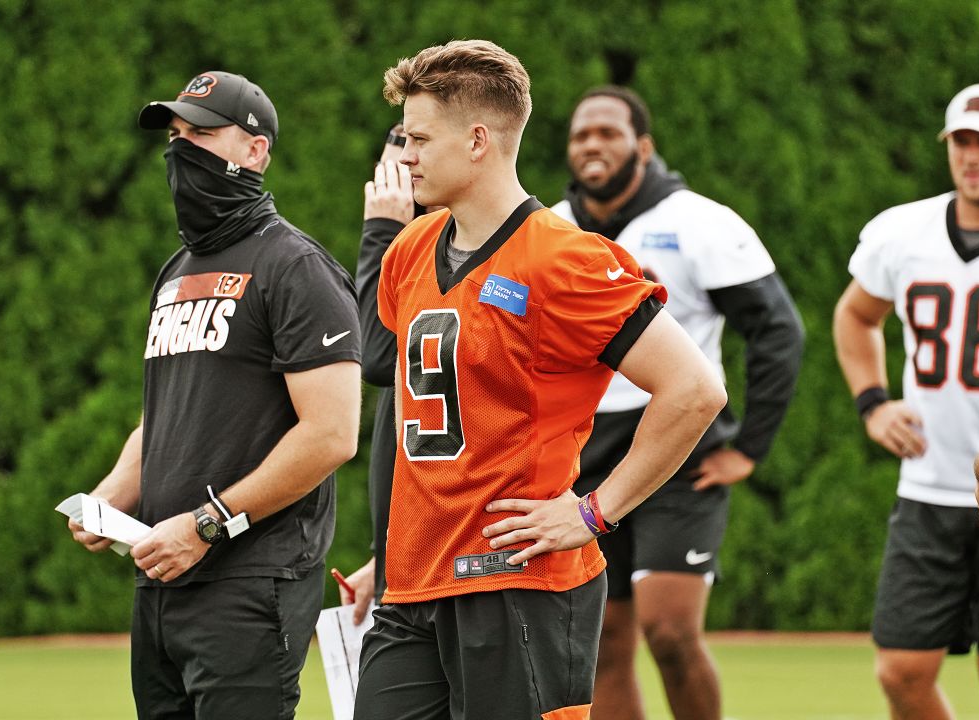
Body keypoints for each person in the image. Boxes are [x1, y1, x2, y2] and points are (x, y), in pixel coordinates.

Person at [353, 40, 727, 719]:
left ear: (476, 141)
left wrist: (594, 510)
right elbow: (400, 407)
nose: (403, 157)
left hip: (514, 584)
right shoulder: (409, 248)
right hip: (411, 590)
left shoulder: (566, 260)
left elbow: (695, 389)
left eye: (417, 139)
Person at [65, 70, 362, 720]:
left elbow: (333, 433)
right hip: (163, 578)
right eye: (175, 135)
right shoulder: (176, 272)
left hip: (250, 580)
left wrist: (206, 524)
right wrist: (115, 490)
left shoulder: (295, 267)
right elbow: (167, 415)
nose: (181, 151)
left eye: (200, 134)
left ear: (255, 151)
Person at [549, 87, 804, 720]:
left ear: (643, 145)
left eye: (607, 132)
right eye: (581, 135)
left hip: (676, 446)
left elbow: (778, 330)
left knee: (669, 631)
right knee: (601, 639)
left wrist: (749, 449)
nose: (592, 145)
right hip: (583, 454)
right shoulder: (548, 228)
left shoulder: (698, 222)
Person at [834, 81, 979, 720]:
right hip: (929, 485)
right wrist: (873, 402)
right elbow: (855, 317)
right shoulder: (902, 231)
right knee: (901, 671)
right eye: (963, 141)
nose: (973, 155)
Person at [337, 126, 416, 622]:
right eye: (383, 176)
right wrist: (380, 560)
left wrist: (383, 232)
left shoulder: (450, 257)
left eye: (401, 173)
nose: (389, 190)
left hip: (454, 571)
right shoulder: (417, 264)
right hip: (406, 561)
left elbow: (380, 358)